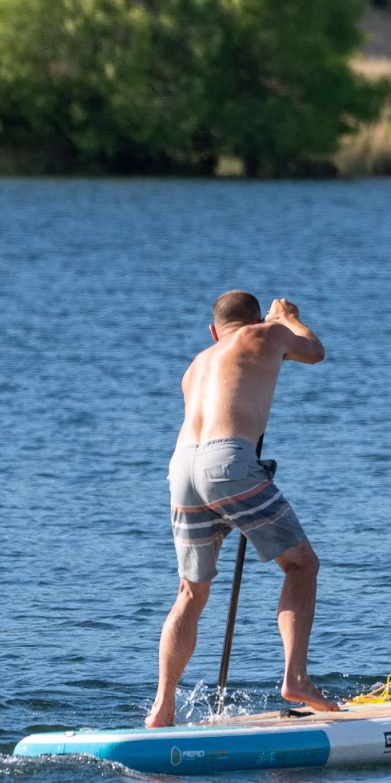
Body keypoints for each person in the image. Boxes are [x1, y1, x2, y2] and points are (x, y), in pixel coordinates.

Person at [148, 290, 335, 726]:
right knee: (302, 565)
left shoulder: (197, 364)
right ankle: (296, 678)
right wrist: (288, 319)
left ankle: (162, 706)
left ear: (214, 331)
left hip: (180, 469)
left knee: (190, 593)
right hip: (227, 461)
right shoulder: (266, 334)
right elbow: (314, 352)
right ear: (254, 321)